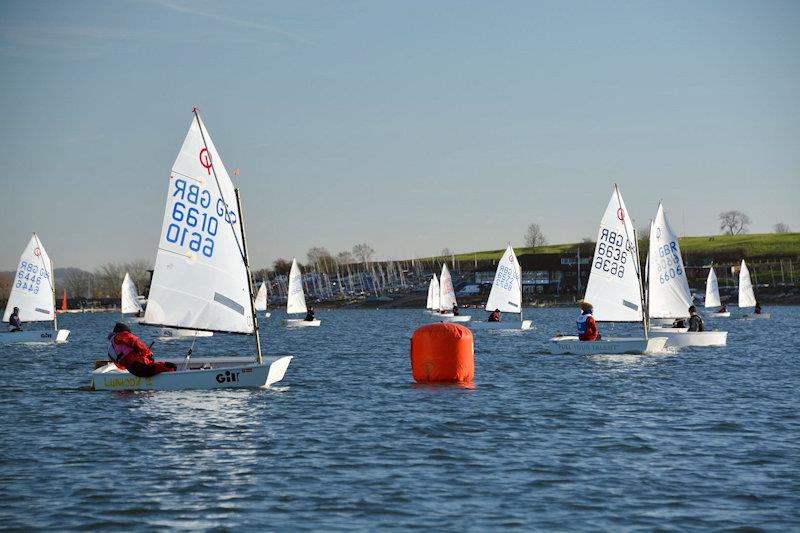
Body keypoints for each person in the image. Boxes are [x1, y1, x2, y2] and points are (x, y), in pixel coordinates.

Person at [107, 322, 176, 377]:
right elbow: (136, 343)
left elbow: (121, 367)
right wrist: (149, 354)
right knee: (172, 367)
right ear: (124, 331)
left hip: (133, 370)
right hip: (141, 366)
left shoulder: (111, 347)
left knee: (159, 366)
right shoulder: (122, 334)